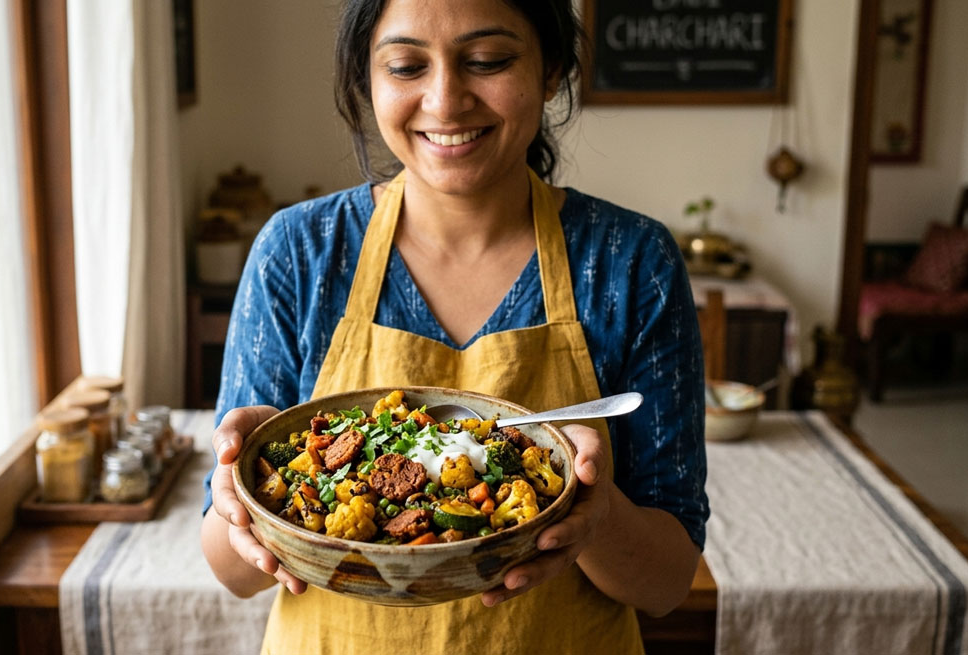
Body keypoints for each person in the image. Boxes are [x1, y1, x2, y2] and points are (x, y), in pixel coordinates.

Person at [200, 0, 709, 652]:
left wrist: (596, 510)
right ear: (368, 78)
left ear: (551, 70)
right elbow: (232, 571)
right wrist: (240, 486)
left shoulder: (630, 261)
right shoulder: (300, 253)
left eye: (488, 61)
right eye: (407, 65)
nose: (443, 101)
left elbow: (667, 583)